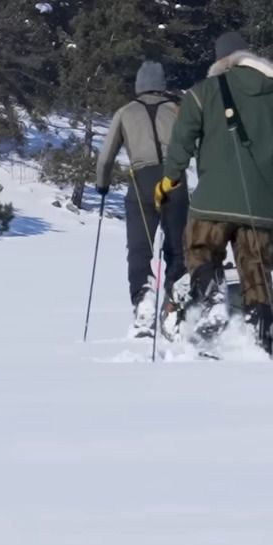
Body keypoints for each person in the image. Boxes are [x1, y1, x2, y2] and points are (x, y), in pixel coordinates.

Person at [158, 29, 273, 351]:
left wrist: (170, 179)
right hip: (262, 207)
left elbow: (182, 138)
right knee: (257, 272)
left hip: (212, 202)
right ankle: (262, 332)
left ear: (220, 61)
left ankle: (209, 304)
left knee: (201, 253)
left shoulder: (203, 93)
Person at [92, 61, 186, 338]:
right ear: (162, 84)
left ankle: (143, 303)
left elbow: (106, 156)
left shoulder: (125, 112)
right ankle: (173, 306)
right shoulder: (177, 109)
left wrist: (103, 186)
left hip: (141, 183)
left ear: (139, 85)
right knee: (177, 250)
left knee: (140, 250)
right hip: (175, 181)